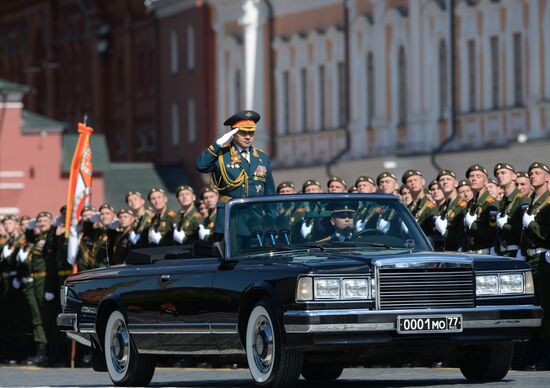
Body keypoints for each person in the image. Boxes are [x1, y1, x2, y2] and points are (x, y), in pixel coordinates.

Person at [196, 110, 275, 237]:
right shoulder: (222, 155)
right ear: (233, 133)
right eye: (243, 133)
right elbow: (201, 166)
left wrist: (272, 219)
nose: (248, 137)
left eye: (251, 133)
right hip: (230, 218)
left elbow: (269, 191)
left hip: (255, 220)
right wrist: (218, 144)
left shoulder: (262, 157)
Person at [519, 162, 550, 370]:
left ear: (547, 178)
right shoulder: (532, 201)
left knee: (545, 307)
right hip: (530, 258)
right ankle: (535, 353)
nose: (533, 176)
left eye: (537, 173)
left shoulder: (547, 201)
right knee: (534, 307)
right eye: (531, 173)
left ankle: (546, 355)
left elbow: (544, 234)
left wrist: (531, 223)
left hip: (542, 259)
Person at [494, 163, 529, 257]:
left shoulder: (522, 199)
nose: (499, 176)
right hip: (502, 252)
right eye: (497, 174)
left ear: (514, 176)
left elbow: (524, 228)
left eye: (503, 173)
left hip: (515, 252)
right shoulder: (503, 201)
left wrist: (505, 226)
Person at [462, 165, 498, 254]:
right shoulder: (471, 203)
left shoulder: (490, 203)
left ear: (485, 182)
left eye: (478, 176)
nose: (474, 179)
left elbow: (492, 232)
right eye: (471, 176)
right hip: (471, 253)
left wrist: (473, 225)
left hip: (485, 253)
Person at [433, 170, 467, 251]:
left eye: (448, 179)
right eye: (442, 180)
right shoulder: (442, 207)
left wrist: (445, 231)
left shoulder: (463, 205)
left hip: (457, 251)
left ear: (455, 183)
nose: (445, 182)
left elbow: (463, 234)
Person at [402, 169, 438, 237]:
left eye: (415, 180)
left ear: (423, 182)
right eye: (410, 181)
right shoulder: (408, 208)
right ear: (406, 187)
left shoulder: (431, 205)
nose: (413, 183)